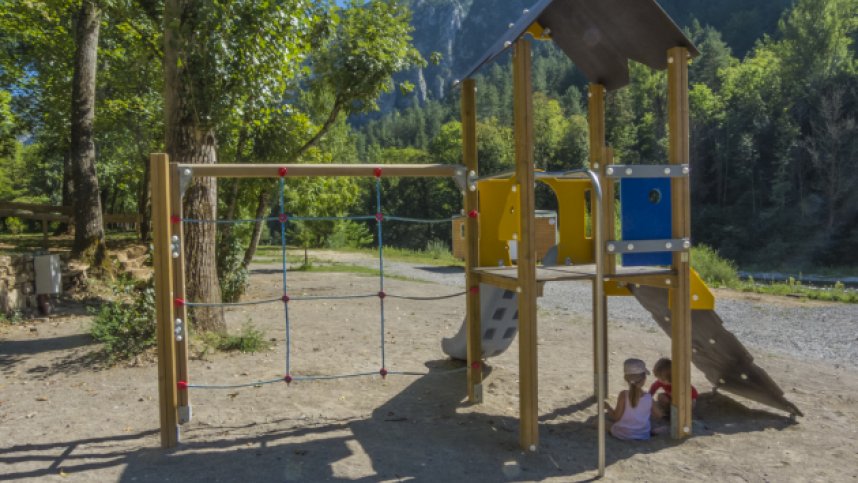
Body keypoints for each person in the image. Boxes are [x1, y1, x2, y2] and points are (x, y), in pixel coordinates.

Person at [605, 358, 653, 440]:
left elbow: (616, 418)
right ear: (644, 379)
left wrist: (607, 407)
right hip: (643, 434)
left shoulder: (623, 395)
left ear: (625, 378)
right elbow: (658, 414)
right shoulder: (649, 397)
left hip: (624, 434)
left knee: (598, 422)